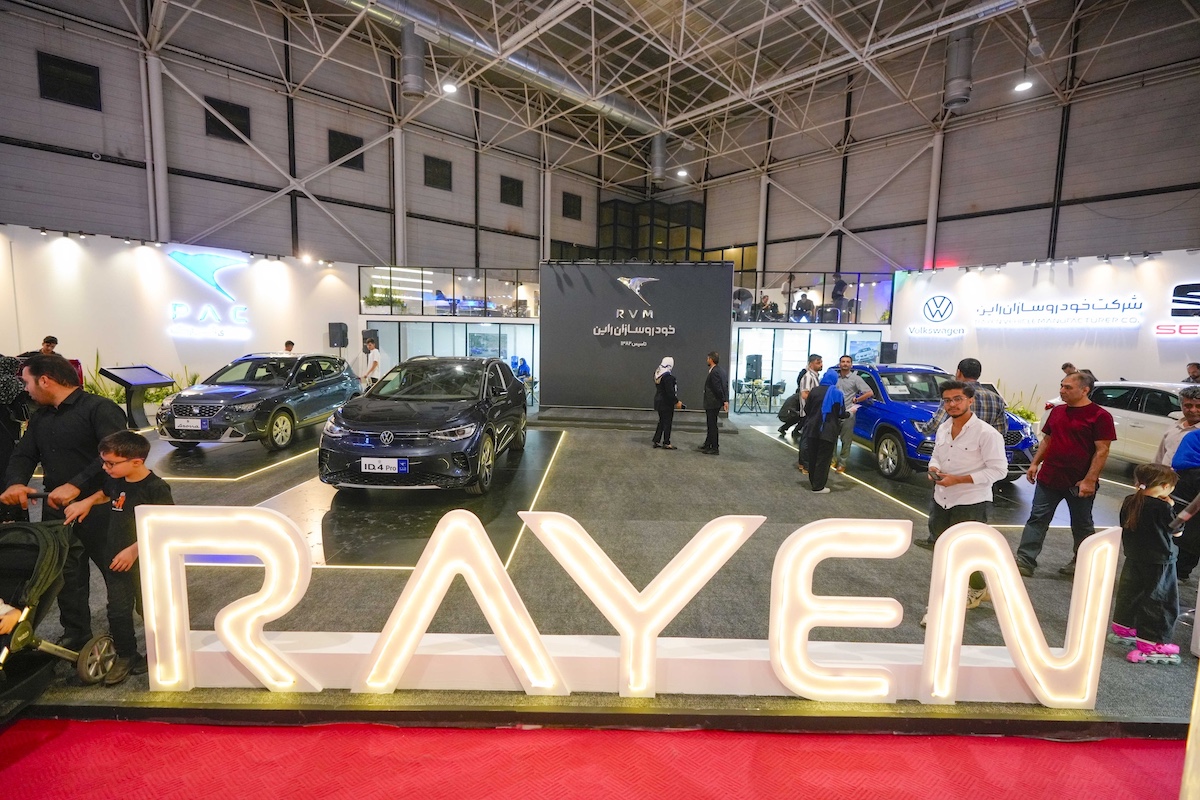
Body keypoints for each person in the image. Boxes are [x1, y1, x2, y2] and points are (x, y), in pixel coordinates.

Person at [0, 355, 128, 650]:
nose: (26, 389)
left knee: (119, 575)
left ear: (45, 380)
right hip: (56, 509)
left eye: (27, 382)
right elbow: (24, 454)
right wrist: (15, 483)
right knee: (66, 576)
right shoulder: (41, 418)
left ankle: (132, 644)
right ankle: (76, 635)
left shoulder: (100, 409)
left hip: (101, 506)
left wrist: (76, 485)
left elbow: (114, 456)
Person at [63, 430, 174, 684]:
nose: (105, 467)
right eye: (104, 462)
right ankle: (126, 655)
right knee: (117, 611)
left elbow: (165, 525)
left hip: (147, 561)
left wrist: (134, 550)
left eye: (111, 463)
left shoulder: (156, 488)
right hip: (116, 559)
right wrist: (87, 502)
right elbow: (105, 493)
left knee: (149, 608)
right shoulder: (115, 480)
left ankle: (161, 651)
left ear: (136, 461)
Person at [914, 382, 1008, 626]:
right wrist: (934, 467)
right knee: (945, 553)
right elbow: (937, 455)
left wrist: (959, 480)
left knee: (962, 556)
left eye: (957, 399)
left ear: (970, 400)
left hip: (970, 502)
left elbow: (999, 470)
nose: (952, 404)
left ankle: (940, 609)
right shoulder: (944, 427)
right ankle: (977, 588)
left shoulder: (987, 434)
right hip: (941, 500)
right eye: (947, 400)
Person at [1014, 371, 1116, 577]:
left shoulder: (1100, 416)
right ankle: (1025, 560)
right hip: (1049, 478)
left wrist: (1089, 480)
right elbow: (1048, 440)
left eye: (1068, 387)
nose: (1062, 391)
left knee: (1082, 524)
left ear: (1085, 390)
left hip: (1078, 482)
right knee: (1037, 518)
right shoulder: (1058, 411)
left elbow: (1102, 451)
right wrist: (1035, 463)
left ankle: (1084, 562)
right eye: (1061, 386)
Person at [1108, 463, 1183, 665]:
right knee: (1160, 600)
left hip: (1134, 555)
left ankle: (1124, 626)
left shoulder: (1129, 500)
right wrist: (1171, 508)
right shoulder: (1162, 507)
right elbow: (1177, 531)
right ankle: (1153, 642)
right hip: (1159, 560)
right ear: (1165, 486)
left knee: (1131, 592)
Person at [918, 358, 1006, 435]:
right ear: (978, 374)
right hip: (984, 447)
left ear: (959, 373)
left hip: (958, 445)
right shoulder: (996, 399)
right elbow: (1000, 431)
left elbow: (938, 423)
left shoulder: (952, 395)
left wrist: (923, 430)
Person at [803, 369, 846, 493]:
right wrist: (850, 413)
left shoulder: (814, 391)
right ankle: (819, 486)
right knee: (823, 459)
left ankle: (813, 482)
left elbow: (807, 409)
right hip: (828, 430)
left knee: (813, 457)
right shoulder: (837, 393)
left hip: (812, 429)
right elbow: (841, 413)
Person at [832, 355, 873, 473]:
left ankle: (842, 463)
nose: (845, 364)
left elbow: (869, 392)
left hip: (848, 413)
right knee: (832, 438)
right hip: (833, 413)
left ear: (851, 364)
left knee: (846, 440)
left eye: (847, 362)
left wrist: (857, 399)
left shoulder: (856, 379)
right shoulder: (835, 377)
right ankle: (832, 460)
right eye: (843, 361)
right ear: (839, 364)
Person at [698, 351, 728, 455]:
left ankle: (715, 447)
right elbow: (724, 386)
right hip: (716, 402)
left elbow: (717, 388)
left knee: (712, 425)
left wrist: (724, 400)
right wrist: (725, 400)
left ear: (711, 359)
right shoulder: (720, 371)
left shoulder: (714, 372)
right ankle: (707, 444)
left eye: (708, 358)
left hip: (712, 402)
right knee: (711, 424)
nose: (707, 360)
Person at [652, 357, 682, 450]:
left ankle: (656, 440)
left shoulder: (658, 374)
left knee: (661, 421)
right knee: (667, 422)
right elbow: (670, 392)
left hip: (658, 401)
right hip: (666, 403)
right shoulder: (668, 377)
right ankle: (666, 442)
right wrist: (676, 401)